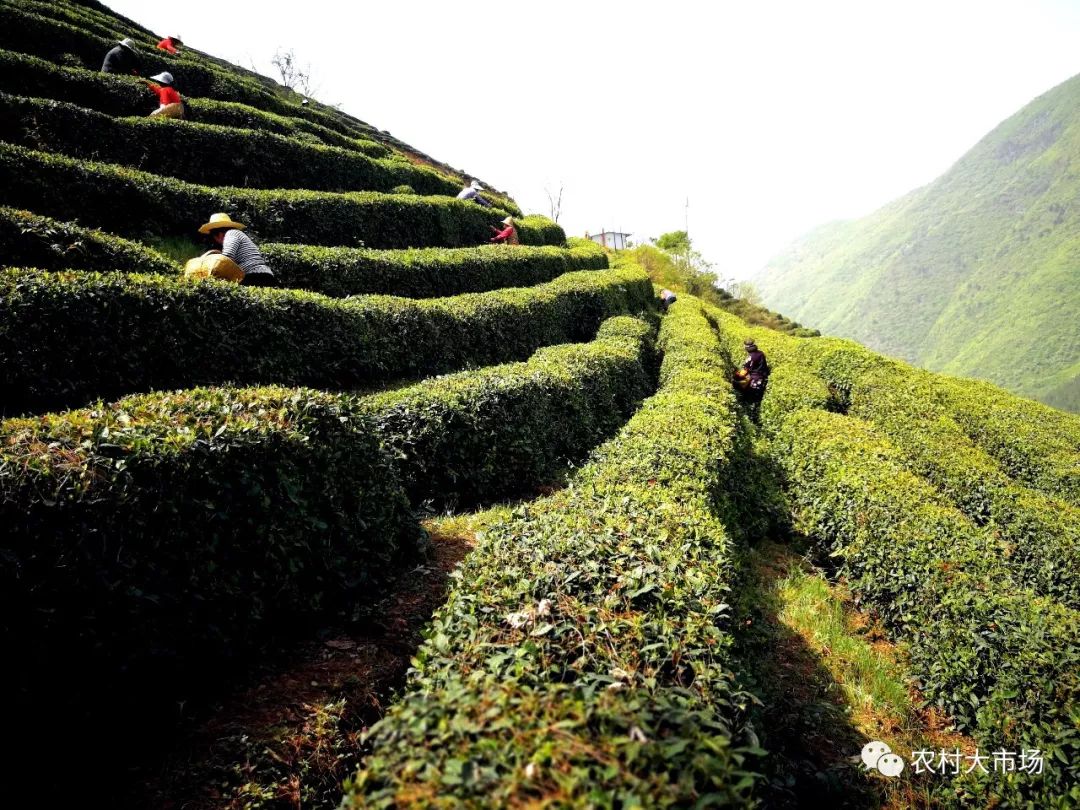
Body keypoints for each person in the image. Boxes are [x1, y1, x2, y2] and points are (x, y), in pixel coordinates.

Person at [197, 213, 278, 287]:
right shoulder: (235, 234)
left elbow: (226, 260)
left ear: (219, 235)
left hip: (257, 276)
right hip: (259, 275)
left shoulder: (231, 233)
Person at [741, 338, 770, 420]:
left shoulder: (751, 357)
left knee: (751, 396)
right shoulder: (761, 353)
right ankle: (755, 414)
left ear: (747, 348)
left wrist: (737, 377)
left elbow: (745, 369)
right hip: (762, 377)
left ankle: (751, 416)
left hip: (755, 379)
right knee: (758, 397)